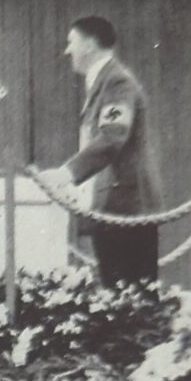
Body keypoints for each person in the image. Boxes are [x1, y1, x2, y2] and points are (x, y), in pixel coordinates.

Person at [39, 15, 162, 287]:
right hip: (113, 210)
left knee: (132, 303)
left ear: (89, 45)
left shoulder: (117, 83)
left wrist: (66, 174)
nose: (67, 50)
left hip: (127, 209)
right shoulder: (103, 84)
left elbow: (112, 137)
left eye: (72, 42)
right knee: (119, 301)